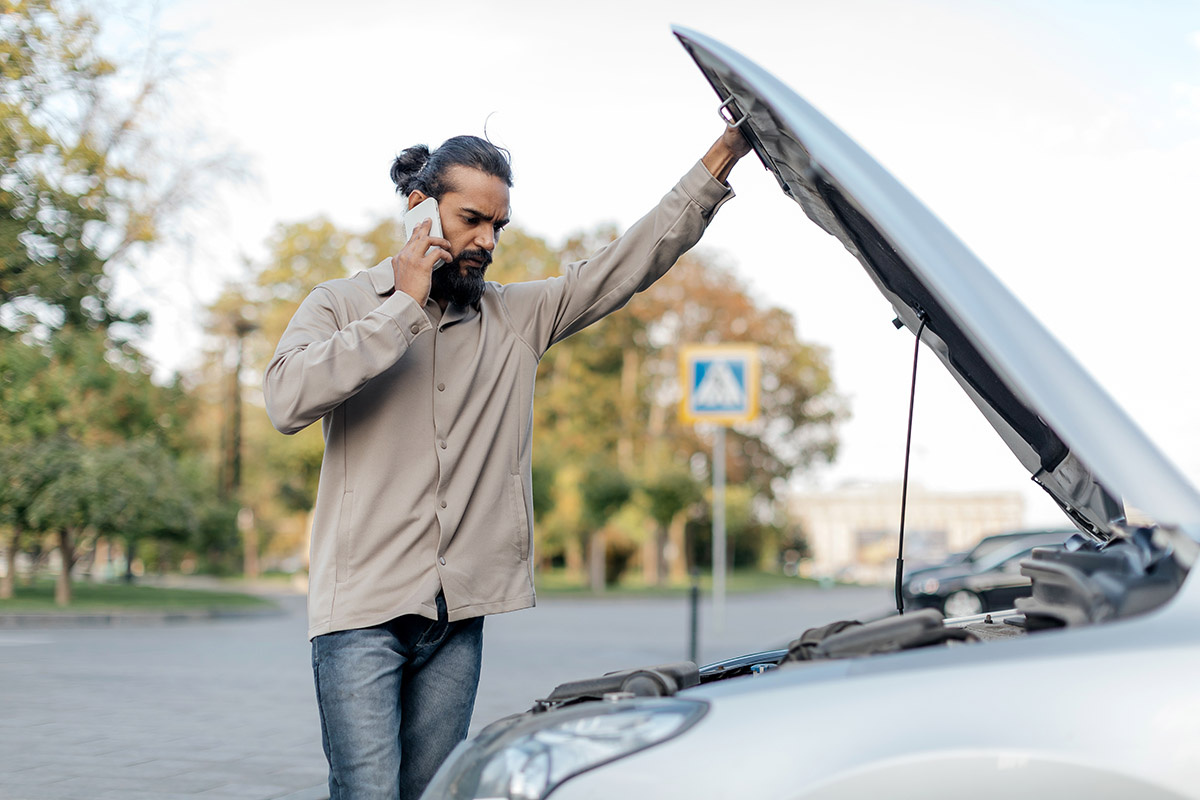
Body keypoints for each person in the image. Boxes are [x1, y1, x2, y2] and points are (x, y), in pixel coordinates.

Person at [263, 123, 750, 799]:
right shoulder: (339, 304)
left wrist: (722, 156)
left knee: (436, 792)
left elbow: (628, 263)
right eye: (472, 219)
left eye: (498, 226)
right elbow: (286, 400)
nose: (487, 242)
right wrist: (401, 309)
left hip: (455, 619)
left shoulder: (516, 319)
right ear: (420, 209)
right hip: (358, 616)